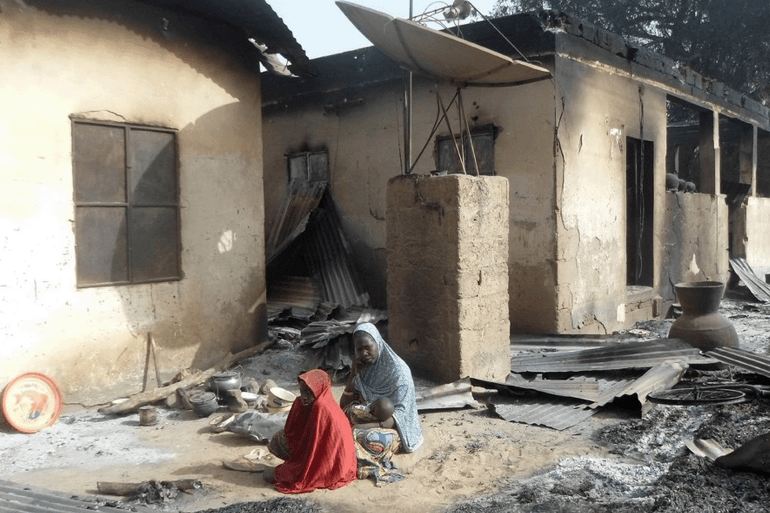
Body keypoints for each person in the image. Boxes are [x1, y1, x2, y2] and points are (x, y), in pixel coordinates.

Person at [340, 323, 423, 483]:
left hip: (395, 428)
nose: (363, 353)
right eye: (359, 349)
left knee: (368, 439)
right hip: (370, 413)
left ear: (378, 343)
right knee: (341, 417)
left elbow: (401, 416)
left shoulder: (399, 373)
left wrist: (364, 427)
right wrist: (352, 377)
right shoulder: (364, 369)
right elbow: (344, 405)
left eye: (367, 347)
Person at [263, 369, 357, 493]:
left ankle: (296, 469)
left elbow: (315, 448)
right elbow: (291, 431)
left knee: (273, 474)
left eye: (309, 392)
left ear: (319, 389)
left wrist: (297, 470)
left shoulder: (321, 407)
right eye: (302, 392)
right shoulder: (321, 401)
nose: (304, 397)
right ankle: (293, 466)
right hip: (338, 461)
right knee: (279, 439)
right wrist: (299, 405)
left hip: (333, 465)